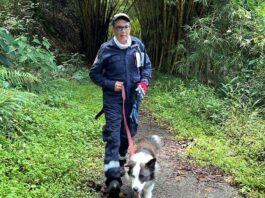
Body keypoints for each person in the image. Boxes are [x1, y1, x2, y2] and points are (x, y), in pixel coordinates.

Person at [89, 13, 152, 197]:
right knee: (113, 138)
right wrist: (111, 84)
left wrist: (143, 84)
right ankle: (113, 180)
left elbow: (147, 68)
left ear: (130, 28)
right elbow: (94, 74)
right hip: (113, 101)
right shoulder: (106, 49)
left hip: (133, 100)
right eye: (119, 27)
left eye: (126, 27)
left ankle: (120, 161)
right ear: (113, 29)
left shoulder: (137, 45)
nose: (123, 31)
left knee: (128, 136)